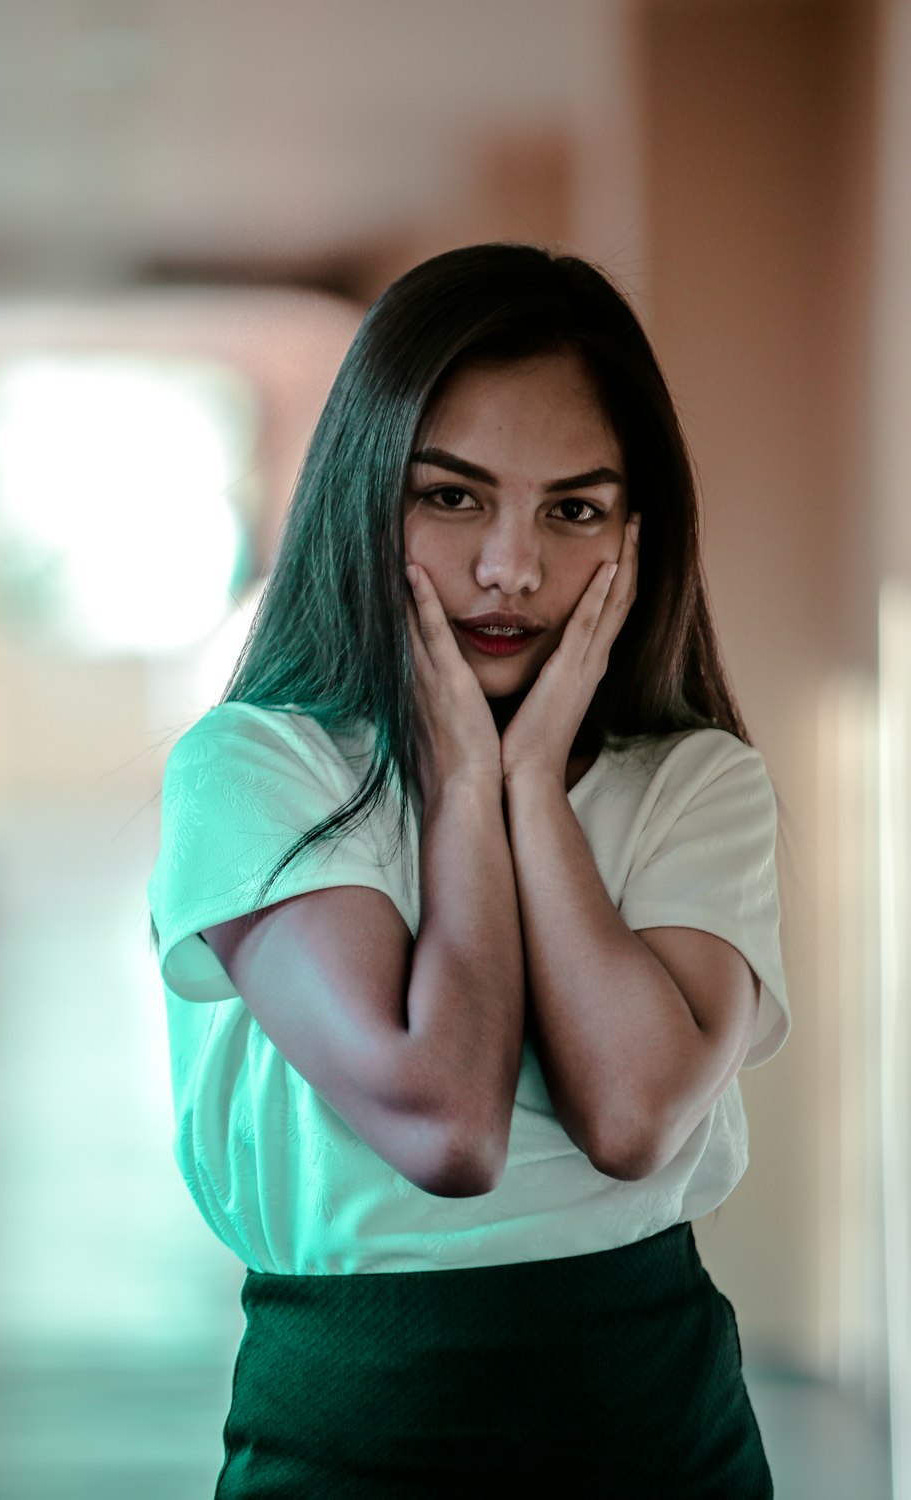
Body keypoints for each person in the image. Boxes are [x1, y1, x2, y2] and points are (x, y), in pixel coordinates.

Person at [148, 242, 790, 1498]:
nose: (512, 567)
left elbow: (634, 1118)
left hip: (658, 1422)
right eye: (452, 497)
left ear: (635, 531)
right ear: (364, 494)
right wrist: (458, 785)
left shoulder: (695, 782)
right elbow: (444, 1122)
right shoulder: (252, 772)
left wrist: (532, 786)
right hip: (350, 1426)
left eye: (572, 508)